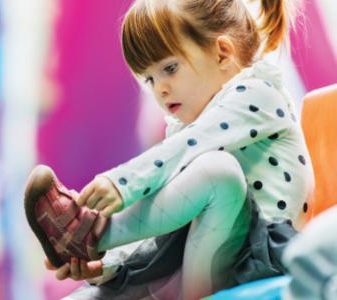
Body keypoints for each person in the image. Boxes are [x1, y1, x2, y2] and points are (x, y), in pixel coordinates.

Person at [24, 0, 314, 299]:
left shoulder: (259, 94)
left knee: (219, 172)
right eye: (149, 78)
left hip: (256, 265)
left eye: (170, 68)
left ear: (222, 53)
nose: (159, 89)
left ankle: (93, 232)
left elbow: (190, 146)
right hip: (194, 262)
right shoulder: (189, 130)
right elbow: (162, 219)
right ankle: (89, 240)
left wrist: (122, 183)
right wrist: (102, 264)